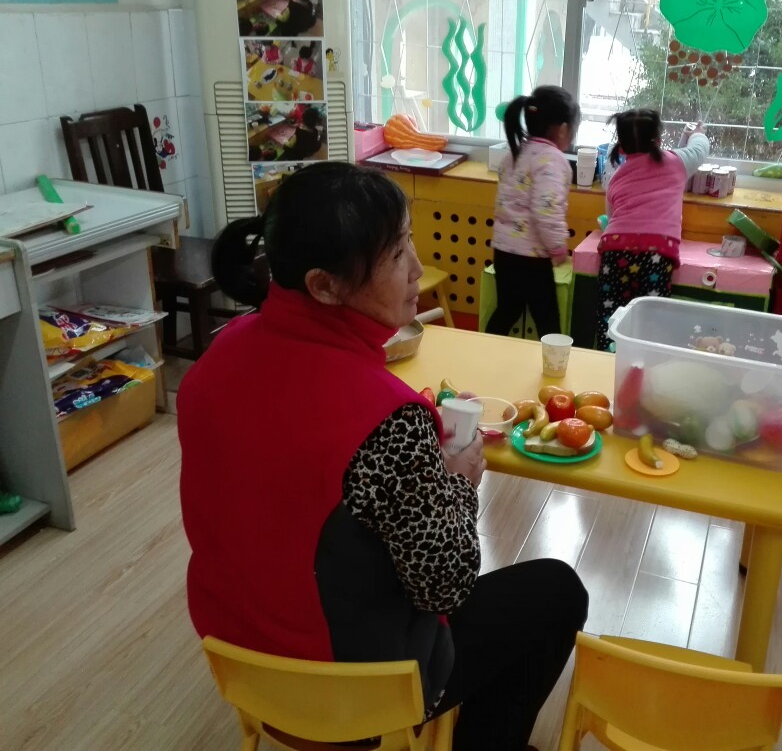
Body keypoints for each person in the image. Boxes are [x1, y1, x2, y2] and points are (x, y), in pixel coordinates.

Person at [178, 162, 588, 751]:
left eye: (408, 241)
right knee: (557, 590)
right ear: (324, 285)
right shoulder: (388, 419)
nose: (417, 269)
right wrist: (456, 482)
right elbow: (446, 586)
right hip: (356, 693)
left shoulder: (215, 357)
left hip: (240, 661)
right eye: (396, 255)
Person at [595, 109, 711, 350]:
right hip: (657, 253)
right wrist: (697, 133)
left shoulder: (617, 176)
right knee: (652, 316)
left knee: (611, 313)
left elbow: (612, 216)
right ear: (658, 140)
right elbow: (699, 150)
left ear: (622, 147)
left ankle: (609, 354)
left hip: (615, 249)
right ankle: (645, 359)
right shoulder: (677, 162)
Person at [485, 86, 580, 339]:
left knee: (507, 309)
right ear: (563, 129)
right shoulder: (552, 160)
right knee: (547, 319)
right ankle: (556, 360)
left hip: (504, 252)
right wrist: (558, 248)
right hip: (532, 257)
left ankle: (484, 350)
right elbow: (546, 209)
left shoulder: (515, 154)